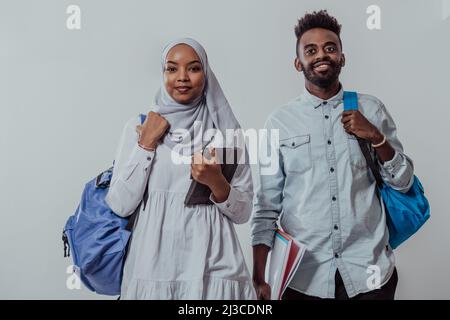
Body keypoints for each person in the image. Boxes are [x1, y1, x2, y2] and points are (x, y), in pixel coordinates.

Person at [251, 10, 414, 300]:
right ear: (297, 62)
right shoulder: (279, 122)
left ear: (342, 57)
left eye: (330, 48)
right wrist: (259, 275)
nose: (321, 55)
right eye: (310, 50)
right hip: (302, 277)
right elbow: (266, 205)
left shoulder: (370, 109)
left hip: (369, 273)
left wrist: (376, 137)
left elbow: (403, 182)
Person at [106, 38, 255, 300]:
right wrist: (146, 144)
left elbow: (243, 213)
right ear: (163, 73)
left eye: (194, 68)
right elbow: (120, 204)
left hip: (214, 267)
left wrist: (216, 182)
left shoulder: (227, 134)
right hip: (153, 267)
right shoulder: (139, 128)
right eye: (172, 69)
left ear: (206, 74)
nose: (182, 77)